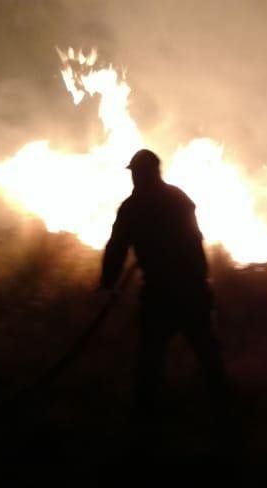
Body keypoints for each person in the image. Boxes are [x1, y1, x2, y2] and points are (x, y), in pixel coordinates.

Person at [100, 149, 232, 438]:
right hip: (191, 291)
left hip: (161, 295)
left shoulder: (133, 207)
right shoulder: (178, 199)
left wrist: (107, 285)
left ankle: (145, 429)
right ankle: (227, 420)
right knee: (208, 357)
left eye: (136, 172)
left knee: (151, 362)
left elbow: (117, 247)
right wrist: (202, 281)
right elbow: (195, 243)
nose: (134, 178)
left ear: (142, 173)